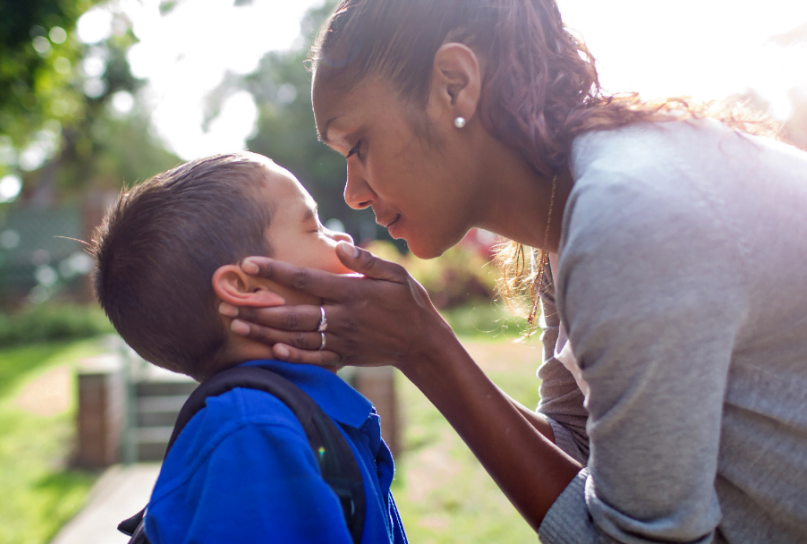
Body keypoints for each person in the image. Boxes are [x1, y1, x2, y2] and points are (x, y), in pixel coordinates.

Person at [218, 1, 807, 542]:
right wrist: (422, 346)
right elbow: (582, 454)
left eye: (358, 145)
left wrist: (427, 350)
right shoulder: (567, 210)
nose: (353, 193)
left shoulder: (627, 214)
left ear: (455, 85)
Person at [90, 153, 407, 544]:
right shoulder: (254, 435)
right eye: (314, 227)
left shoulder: (284, 418)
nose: (343, 239)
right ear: (246, 287)